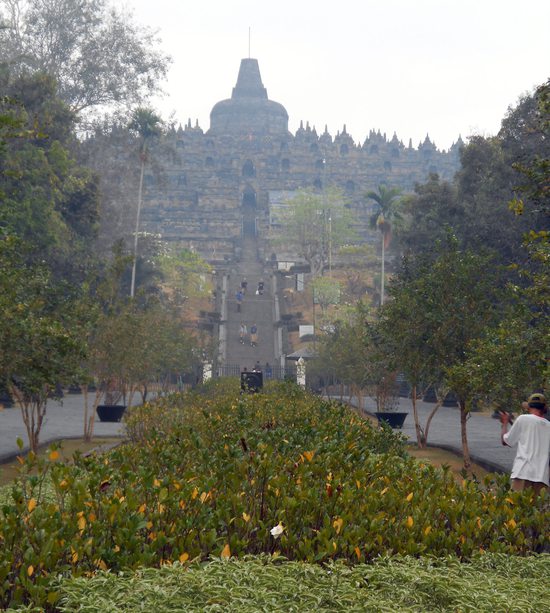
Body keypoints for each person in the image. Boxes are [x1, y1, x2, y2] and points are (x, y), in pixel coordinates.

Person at [500, 392, 550, 496]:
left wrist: (504, 423)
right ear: (544, 408)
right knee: (538, 510)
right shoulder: (548, 426)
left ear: (529, 407)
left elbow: (505, 441)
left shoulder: (522, 419)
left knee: (516, 508)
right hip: (542, 477)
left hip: (523, 472)